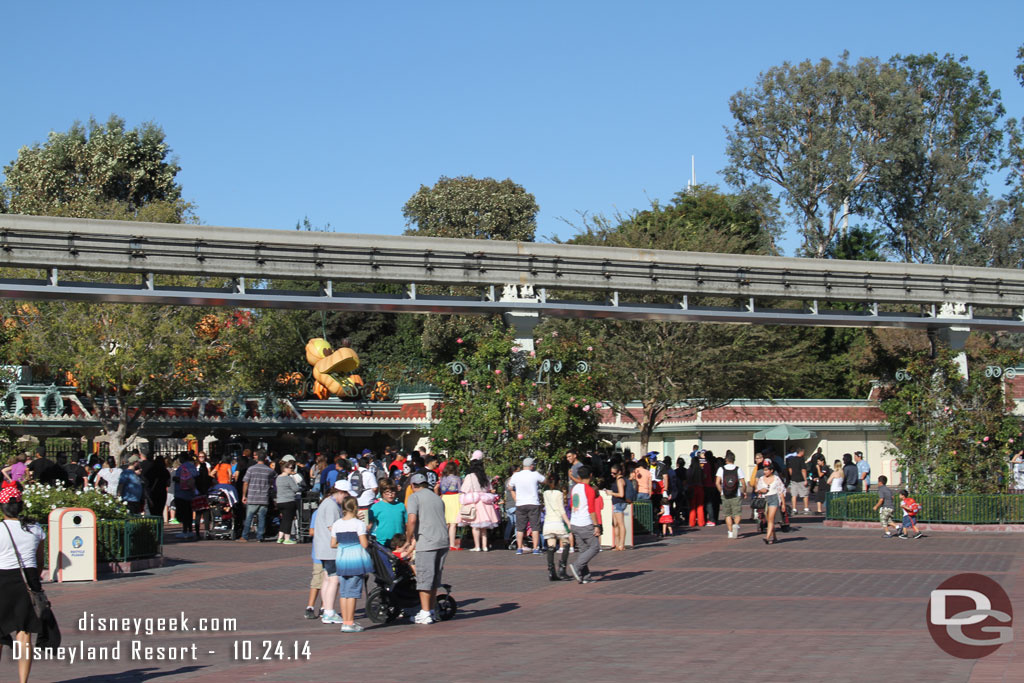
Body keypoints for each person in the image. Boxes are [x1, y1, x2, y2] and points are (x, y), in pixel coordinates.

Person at [1, 481, 60, 683]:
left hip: (3, 581)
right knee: (24, 634)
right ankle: (23, 681)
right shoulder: (35, 528)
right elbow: (40, 561)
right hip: (28, 582)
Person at [405, 473, 449, 625]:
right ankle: (430, 610)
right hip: (443, 540)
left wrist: (408, 538)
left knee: (424, 578)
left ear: (413, 486)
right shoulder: (436, 497)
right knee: (435, 578)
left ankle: (424, 613)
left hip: (427, 541)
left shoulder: (414, 497)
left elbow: (412, 520)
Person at [329, 496, 374, 633]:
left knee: (344, 592)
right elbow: (364, 544)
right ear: (355, 508)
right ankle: (350, 622)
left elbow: (332, 544)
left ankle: (345, 621)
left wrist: (343, 543)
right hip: (355, 559)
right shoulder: (358, 524)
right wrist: (367, 530)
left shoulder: (337, 524)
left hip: (342, 558)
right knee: (353, 592)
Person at [313, 481, 350, 624]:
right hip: (330, 548)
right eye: (346, 495)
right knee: (334, 579)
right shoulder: (331, 505)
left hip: (323, 547)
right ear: (341, 492)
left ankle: (326, 609)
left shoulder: (328, 503)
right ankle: (328, 611)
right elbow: (332, 527)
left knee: (328, 578)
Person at [568, 466, 600, 584]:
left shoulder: (575, 488)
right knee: (595, 547)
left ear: (579, 476)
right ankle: (577, 566)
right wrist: (596, 526)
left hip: (575, 521)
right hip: (585, 523)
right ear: (590, 475)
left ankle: (585, 576)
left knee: (583, 549)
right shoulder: (589, 490)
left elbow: (572, 504)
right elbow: (591, 509)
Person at [508, 456, 546, 555]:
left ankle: (519, 548)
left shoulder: (516, 475)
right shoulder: (535, 474)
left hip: (520, 503)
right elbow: (544, 480)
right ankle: (535, 548)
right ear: (531, 466)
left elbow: (509, 486)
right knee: (535, 527)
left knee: (520, 527)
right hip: (533, 503)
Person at [459, 460, 499, 551]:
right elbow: (490, 488)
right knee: (484, 527)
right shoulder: (485, 476)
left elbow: (464, 489)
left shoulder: (470, 476)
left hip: (475, 502)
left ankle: (477, 546)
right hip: (485, 502)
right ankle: (484, 546)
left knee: (475, 526)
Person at [238, 450, 274, 542]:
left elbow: (245, 483)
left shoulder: (251, 469)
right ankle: (260, 536)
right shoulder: (269, 470)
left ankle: (245, 536)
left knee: (248, 518)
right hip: (264, 497)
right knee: (261, 518)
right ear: (265, 459)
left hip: (252, 497)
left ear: (257, 458)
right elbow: (272, 482)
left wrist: (244, 495)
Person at [541, 475, 573, 580]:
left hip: (548, 522)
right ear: (558, 482)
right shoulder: (559, 494)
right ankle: (562, 569)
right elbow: (561, 510)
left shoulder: (545, 493)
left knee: (551, 546)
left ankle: (551, 570)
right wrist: (568, 522)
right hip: (557, 522)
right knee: (566, 543)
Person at [716, 451, 747, 539]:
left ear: (726, 460)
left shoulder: (721, 469)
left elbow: (717, 482)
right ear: (734, 459)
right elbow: (743, 483)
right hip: (736, 494)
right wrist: (744, 492)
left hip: (725, 494)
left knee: (727, 514)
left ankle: (730, 532)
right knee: (737, 513)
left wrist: (721, 491)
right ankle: (736, 525)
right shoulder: (738, 469)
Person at [755, 459, 787, 545]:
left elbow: (781, 492)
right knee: (769, 519)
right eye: (764, 470)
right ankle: (775, 537)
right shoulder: (761, 479)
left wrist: (783, 504)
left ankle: (767, 537)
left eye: (766, 470)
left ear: (771, 470)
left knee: (771, 518)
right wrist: (761, 490)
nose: (765, 472)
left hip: (774, 499)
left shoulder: (776, 479)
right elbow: (757, 490)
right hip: (765, 500)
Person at [368, 481, 407, 547]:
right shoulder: (376, 507)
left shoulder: (401, 506)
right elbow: (369, 524)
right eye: (387, 492)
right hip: (382, 542)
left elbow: (406, 523)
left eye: (392, 491)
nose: (390, 494)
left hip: (399, 543)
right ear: (382, 493)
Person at [171, 453, 198, 540]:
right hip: (191, 493)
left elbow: (181, 479)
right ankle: (190, 530)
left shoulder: (182, 467)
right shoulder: (192, 466)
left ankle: (185, 530)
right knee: (189, 512)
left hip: (182, 493)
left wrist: (175, 478)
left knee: (183, 513)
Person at [275, 460, 302, 544]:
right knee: (288, 520)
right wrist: (299, 487)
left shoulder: (278, 478)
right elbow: (295, 489)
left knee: (284, 520)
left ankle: (280, 537)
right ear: (285, 469)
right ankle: (287, 538)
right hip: (289, 501)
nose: (292, 469)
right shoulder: (288, 478)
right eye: (290, 468)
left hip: (280, 501)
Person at [436, 463, 462, 550]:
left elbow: (438, 488)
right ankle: (452, 544)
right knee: (453, 523)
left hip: (444, 498)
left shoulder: (443, 479)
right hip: (454, 498)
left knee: (445, 522)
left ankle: (441, 542)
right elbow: (460, 489)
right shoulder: (457, 478)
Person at [607, 464, 628, 551]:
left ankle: (621, 545)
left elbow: (621, 494)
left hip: (619, 503)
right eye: (611, 473)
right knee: (615, 524)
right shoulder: (618, 480)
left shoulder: (620, 480)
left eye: (614, 473)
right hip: (616, 503)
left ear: (619, 472)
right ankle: (617, 544)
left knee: (620, 524)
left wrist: (611, 493)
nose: (612, 475)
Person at [786, 448, 810, 513]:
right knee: (805, 494)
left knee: (794, 494)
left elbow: (790, 469)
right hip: (801, 479)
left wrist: (792, 475)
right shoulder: (801, 459)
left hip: (793, 479)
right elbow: (803, 470)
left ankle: (794, 508)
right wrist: (805, 479)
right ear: (801, 452)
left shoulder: (792, 459)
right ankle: (806, 508)